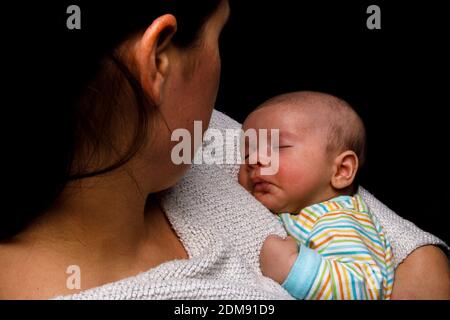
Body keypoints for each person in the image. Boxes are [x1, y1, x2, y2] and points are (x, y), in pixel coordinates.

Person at [1, 1, 449, 299]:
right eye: (218, 37)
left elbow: (398, 246)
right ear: (157, 60)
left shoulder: (201, 142)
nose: (252, 161)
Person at [238, 91, 394, 299]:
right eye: (247, 153)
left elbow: (365, 289)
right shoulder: (304, 212)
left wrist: (292, 268)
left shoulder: (337, 218)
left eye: (278, 147)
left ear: (341, 171)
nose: (254, 159)